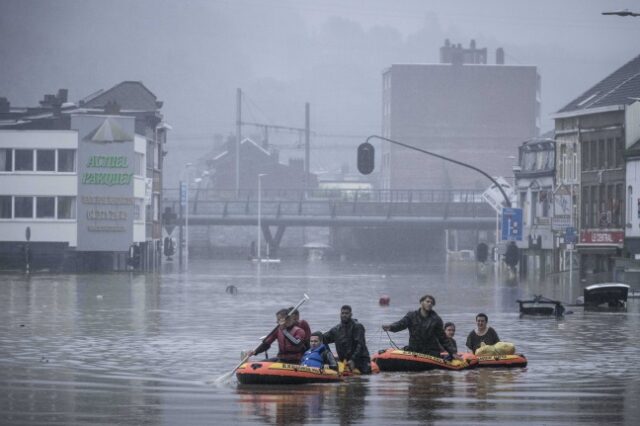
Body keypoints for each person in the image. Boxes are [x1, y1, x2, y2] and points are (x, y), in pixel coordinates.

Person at [382, 294, 458, 359]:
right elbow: (401, 324)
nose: (429, 304)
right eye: (427, 301)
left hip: (430, 352)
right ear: (421, 302)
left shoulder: (436, 320)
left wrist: (452, 352)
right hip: (414, 350)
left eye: (431, 302)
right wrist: (390, 327)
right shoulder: (411, 316)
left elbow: (443, 338)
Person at [323, 305, 372, 374]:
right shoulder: (336, 330)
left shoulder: (358, 327)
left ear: (351, 314)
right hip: (344, 361)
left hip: (361, 360)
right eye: (343, 313)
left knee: (363, 376)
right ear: (340, 314)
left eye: (346, 313)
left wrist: (353, 360)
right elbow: (322, 338)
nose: (344, 315)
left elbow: (360, 345)